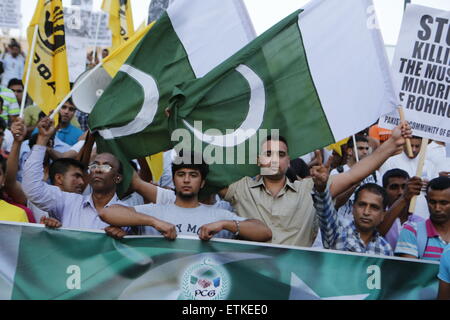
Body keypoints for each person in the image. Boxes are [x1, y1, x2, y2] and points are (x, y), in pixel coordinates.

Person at [218, 121, 412, 247]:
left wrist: (392, 143)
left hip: (294, 281)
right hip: (248, 280)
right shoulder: (240, 188)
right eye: (269, 154)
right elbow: (204, 175)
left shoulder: (310, 189)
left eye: (281, 154)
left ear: (288, 161)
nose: (275, 159)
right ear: (258, 160)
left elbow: (355, 174)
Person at [99, 151, 272, 242]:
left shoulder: (218, 215)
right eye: (181, 174)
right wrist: (154, 222)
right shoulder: (153, 211)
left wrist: (225, 224)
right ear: (173, 179)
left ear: (203, 182)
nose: (187, 180)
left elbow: (264, 232)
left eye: (193, 175)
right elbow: (107, 213)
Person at [22, 116, 127, 230]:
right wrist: (42, 139)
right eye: (94, 165)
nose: (97, 169)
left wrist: (124, 236)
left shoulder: (130, 213)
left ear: (118, 178)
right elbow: (33, 189)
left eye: (106, 166)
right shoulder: (68, 202)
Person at [311, 160, 392, 255]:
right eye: (362, 205)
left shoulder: (385, 249)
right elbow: (325, 211)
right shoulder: (338, 232)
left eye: (374, 207)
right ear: (353, 208)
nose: (366, 212)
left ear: (383, 214)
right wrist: (321, 188)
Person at [395, 176, 450, 261]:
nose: (437, 208)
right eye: (432, 202)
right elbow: (408, 271)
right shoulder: (412, 231)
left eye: (444, 203)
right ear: (426, 199)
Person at [378, 169, 424, 249]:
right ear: (384, 191)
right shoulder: (378, 219)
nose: (401, 192)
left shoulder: (420, 223)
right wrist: (404, 198)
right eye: (394, 187)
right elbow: (376, 234)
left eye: (405, 187)